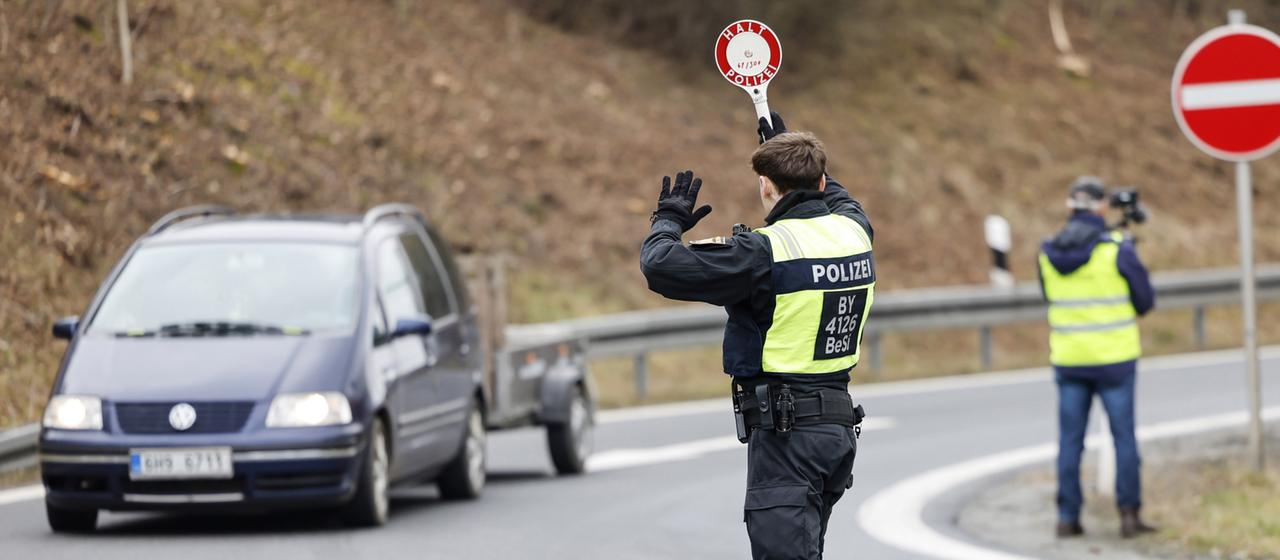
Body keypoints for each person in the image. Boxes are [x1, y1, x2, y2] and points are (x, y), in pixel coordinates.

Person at [639, 112, 873, 559]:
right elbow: (839, 195)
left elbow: (660, 266)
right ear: (821, 182)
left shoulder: (764, 253)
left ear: (765, 186)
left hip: (788, 439)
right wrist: (787, 145)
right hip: (836, 432)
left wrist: (667, 219)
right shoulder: (854, 232)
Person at [1038, 176, 1157, 539]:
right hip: (1116, 360)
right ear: (1102, 208)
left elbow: (1049, 297)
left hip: (1070, 359)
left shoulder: (1047, 251)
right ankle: (1129, 516)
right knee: (1123, 438)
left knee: (1070, 441)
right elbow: (1145, 301)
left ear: (1070, 206)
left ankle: (1067, 518)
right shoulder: (1117, 248)